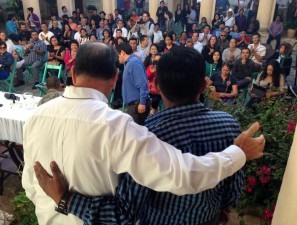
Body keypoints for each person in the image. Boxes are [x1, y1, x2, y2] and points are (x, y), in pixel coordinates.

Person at [33, 45, 264, 225]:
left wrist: (66, 199)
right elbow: (229, 187)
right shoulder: (230, 126)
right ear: (204, 86)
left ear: (158, 88)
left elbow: (124, 213)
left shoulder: (147, 131)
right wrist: (237, 155)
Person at [116, 42, 150, 125]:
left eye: (118, 55)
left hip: (137, 105)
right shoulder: (129, 62)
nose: (118, 58)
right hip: (133, 105)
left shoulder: (133, 63)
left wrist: (142, 102)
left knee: (138, 134)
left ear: (123, 53)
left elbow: (142, 83)